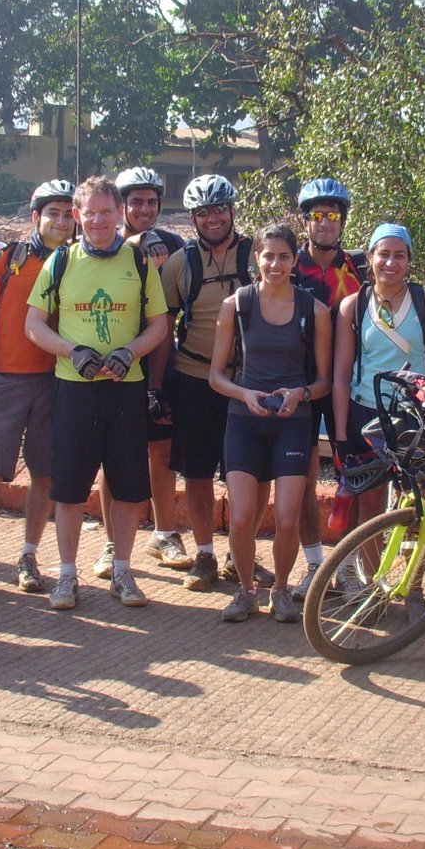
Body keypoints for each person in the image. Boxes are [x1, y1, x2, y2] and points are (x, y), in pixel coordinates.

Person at [24, 176, 168, 611]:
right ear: (77, 216)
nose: (100, 221)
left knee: (127, 488)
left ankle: (123, 572)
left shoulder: (139, 262)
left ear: (119, 214)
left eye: (108, 212)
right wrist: (73, 351)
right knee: (68, 489)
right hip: (74, 389)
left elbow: (159, 325)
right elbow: (33, 325)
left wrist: (131, 351)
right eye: (92, 213)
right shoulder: (61, 263)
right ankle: (67, 578)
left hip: (125, 388)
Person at [208, 223, 332, 623]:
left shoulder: (315, 311)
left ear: (295, 260)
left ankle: (280, 589)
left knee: (287, 519)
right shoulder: (236, 306)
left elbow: (325, 380)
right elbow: (216, 377)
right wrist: (244, 394)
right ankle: (246, 591)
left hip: (293, 422)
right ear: (256, 259)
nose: (275, 264)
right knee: (242, 518)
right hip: (244, 419)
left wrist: (301, 394)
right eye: (268, 256)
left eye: (283, 256)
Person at [0, 180, 77, 602]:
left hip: (55, 381)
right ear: (36, 217)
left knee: (44, 474)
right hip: (5, 381)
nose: (61, 221)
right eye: (53, 213)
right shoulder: (9, 259)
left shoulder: (76, 261)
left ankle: (28, 557)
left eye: (68, 213)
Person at [84, 166, 193, 580]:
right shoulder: (103, 245)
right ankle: (113, 544)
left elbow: (173, 314)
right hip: (111, 362)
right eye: (136, 202)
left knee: (161, 452)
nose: (144, 209)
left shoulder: (172, 244)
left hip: (158, 360)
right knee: (113, 457)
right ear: (121, 206)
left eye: (152, 202)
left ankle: (164, 532)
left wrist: (160, 381)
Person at [160, 174, 262, 594]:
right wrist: (157, 387)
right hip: (194, 377)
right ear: (193, 218)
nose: (212, 218)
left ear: (233, 210)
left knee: (254, 474)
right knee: (198, 472)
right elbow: (163, 329)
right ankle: (205, 553)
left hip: (248, 381)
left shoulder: (257, 255)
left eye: (219, 209)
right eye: (203, 212)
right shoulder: (179, 264)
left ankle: (245, 556)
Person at [331, 224, 425, 545]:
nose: (391, 262)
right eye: (383, 254)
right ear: (370, 257)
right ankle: (369, 584)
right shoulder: (353, 306)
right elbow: (342, 375)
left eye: (399, 255)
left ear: (409, 260)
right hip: (367, 415)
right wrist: (342, 435)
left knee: (414, 503)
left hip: (415, 415)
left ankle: (410, 585)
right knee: (370, 507)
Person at [288, 177, 368, 600]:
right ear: (305, 221)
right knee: (301, 478)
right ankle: (315, 565)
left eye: (332, 215)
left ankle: (349, 567)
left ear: (342, 221)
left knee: (351, 474)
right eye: (316, 215)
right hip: (302, 383)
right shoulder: (288, 263)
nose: (324, 223)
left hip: (349, 384)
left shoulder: (360, 267)